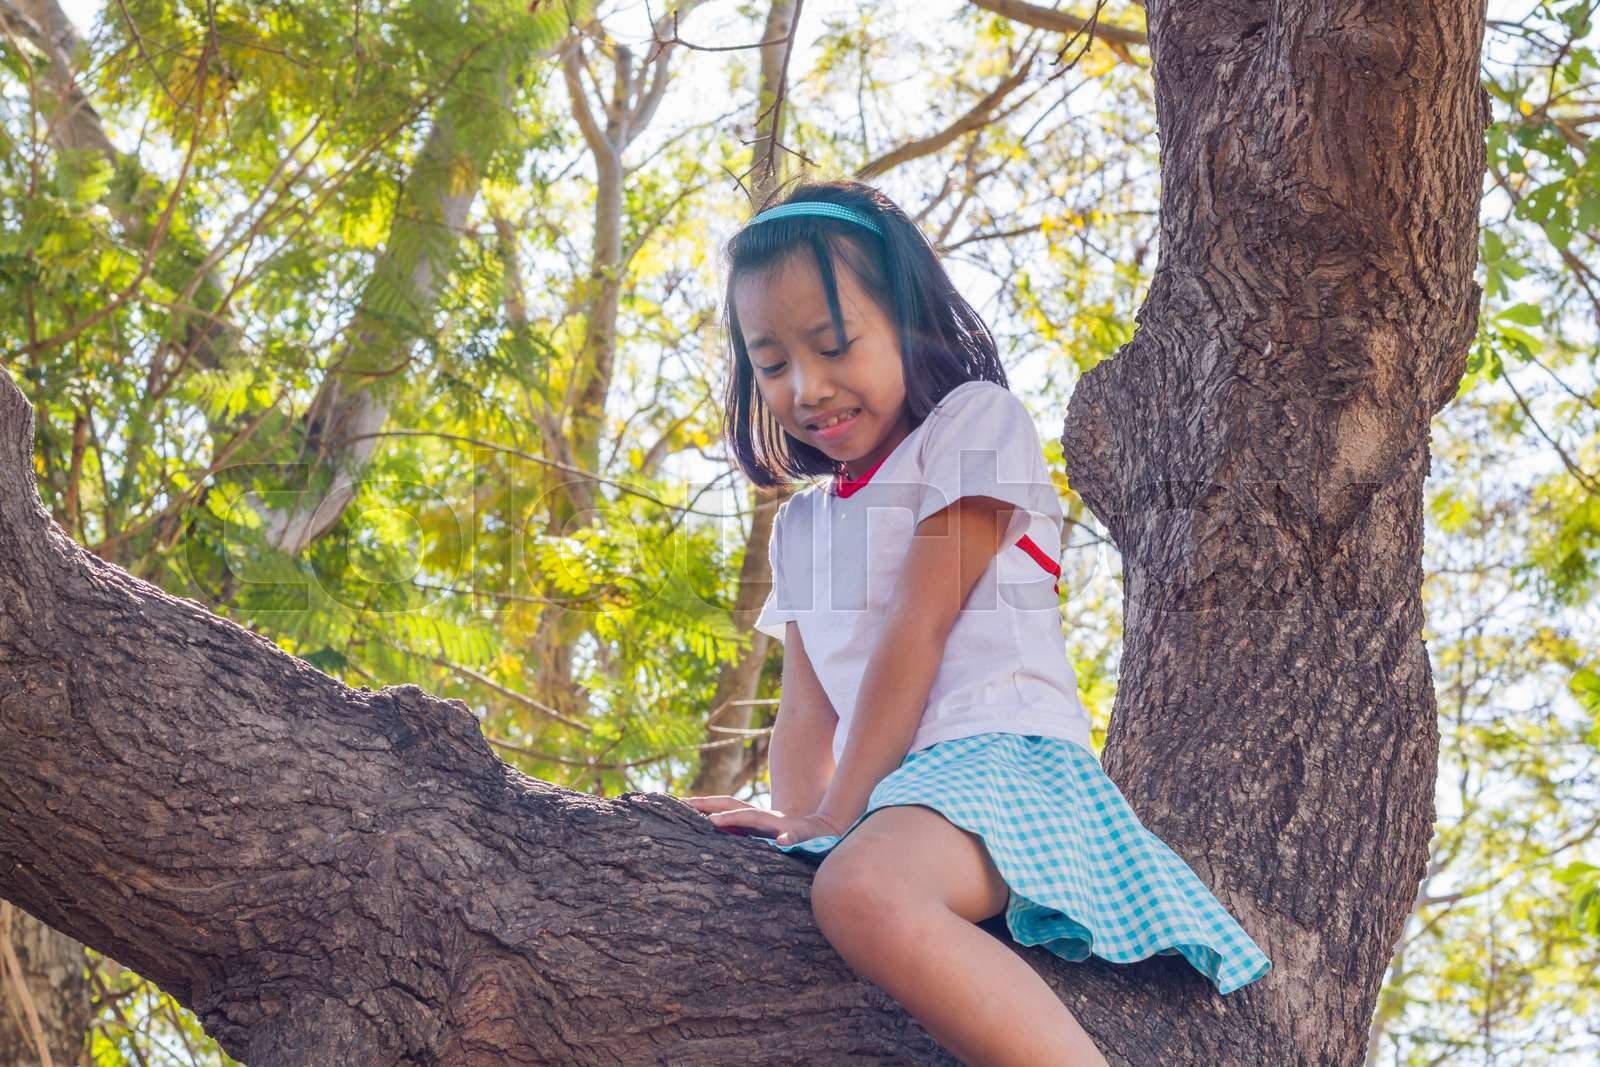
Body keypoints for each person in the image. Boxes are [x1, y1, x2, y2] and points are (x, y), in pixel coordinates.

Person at [683, 178, 1271, 1066]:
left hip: (999, 757)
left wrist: (839, 816)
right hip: (899, 798)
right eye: (772, 364)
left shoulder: (974, 424)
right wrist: (802, 819)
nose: (808, 386)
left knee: (863, 891)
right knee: (823, 878)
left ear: (908, 321)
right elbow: (806, 709)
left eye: (834, 345)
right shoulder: (801, 525)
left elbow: (917, 627)